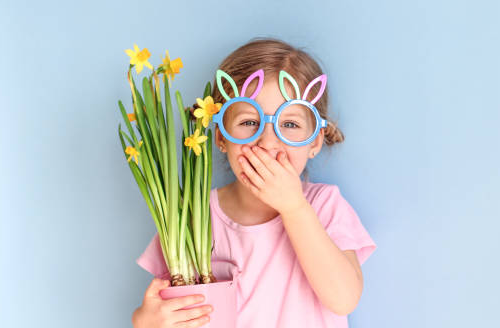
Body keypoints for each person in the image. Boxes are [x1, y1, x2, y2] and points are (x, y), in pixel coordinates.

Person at [132, 38, 377, 328]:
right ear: (221, 137)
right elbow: (164, 306)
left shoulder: (324, 205)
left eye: (290, 124)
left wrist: (294, 208)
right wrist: (145, 321)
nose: (268, 141)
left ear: (315, 142)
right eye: (249, 122)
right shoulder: (191, 214)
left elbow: (344, 298)